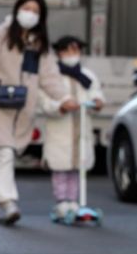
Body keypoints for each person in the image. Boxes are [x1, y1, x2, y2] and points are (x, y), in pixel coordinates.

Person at [0, 0, 78, 225]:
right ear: (17, 10)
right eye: (27, 9)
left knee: (7, 154)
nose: (30, 14)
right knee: (4, 151)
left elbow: (50, 78)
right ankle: (8, 202)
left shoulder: (39, 46)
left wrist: (64, 98)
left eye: (36, 11)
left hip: (23, 110)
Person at [39, 36, 105, 219]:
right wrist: (59, 107)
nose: (72, 54)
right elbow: (44, 102)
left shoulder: (87, 75)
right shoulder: (53, 77)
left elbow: (96, 92)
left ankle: (75, 202)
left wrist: (98, 102)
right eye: (68, 50)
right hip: (61, 129)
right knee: (61, 167)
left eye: (75, 50)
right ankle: (62, 202)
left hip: (81, 128)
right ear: (59, 53)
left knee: (77, 167)